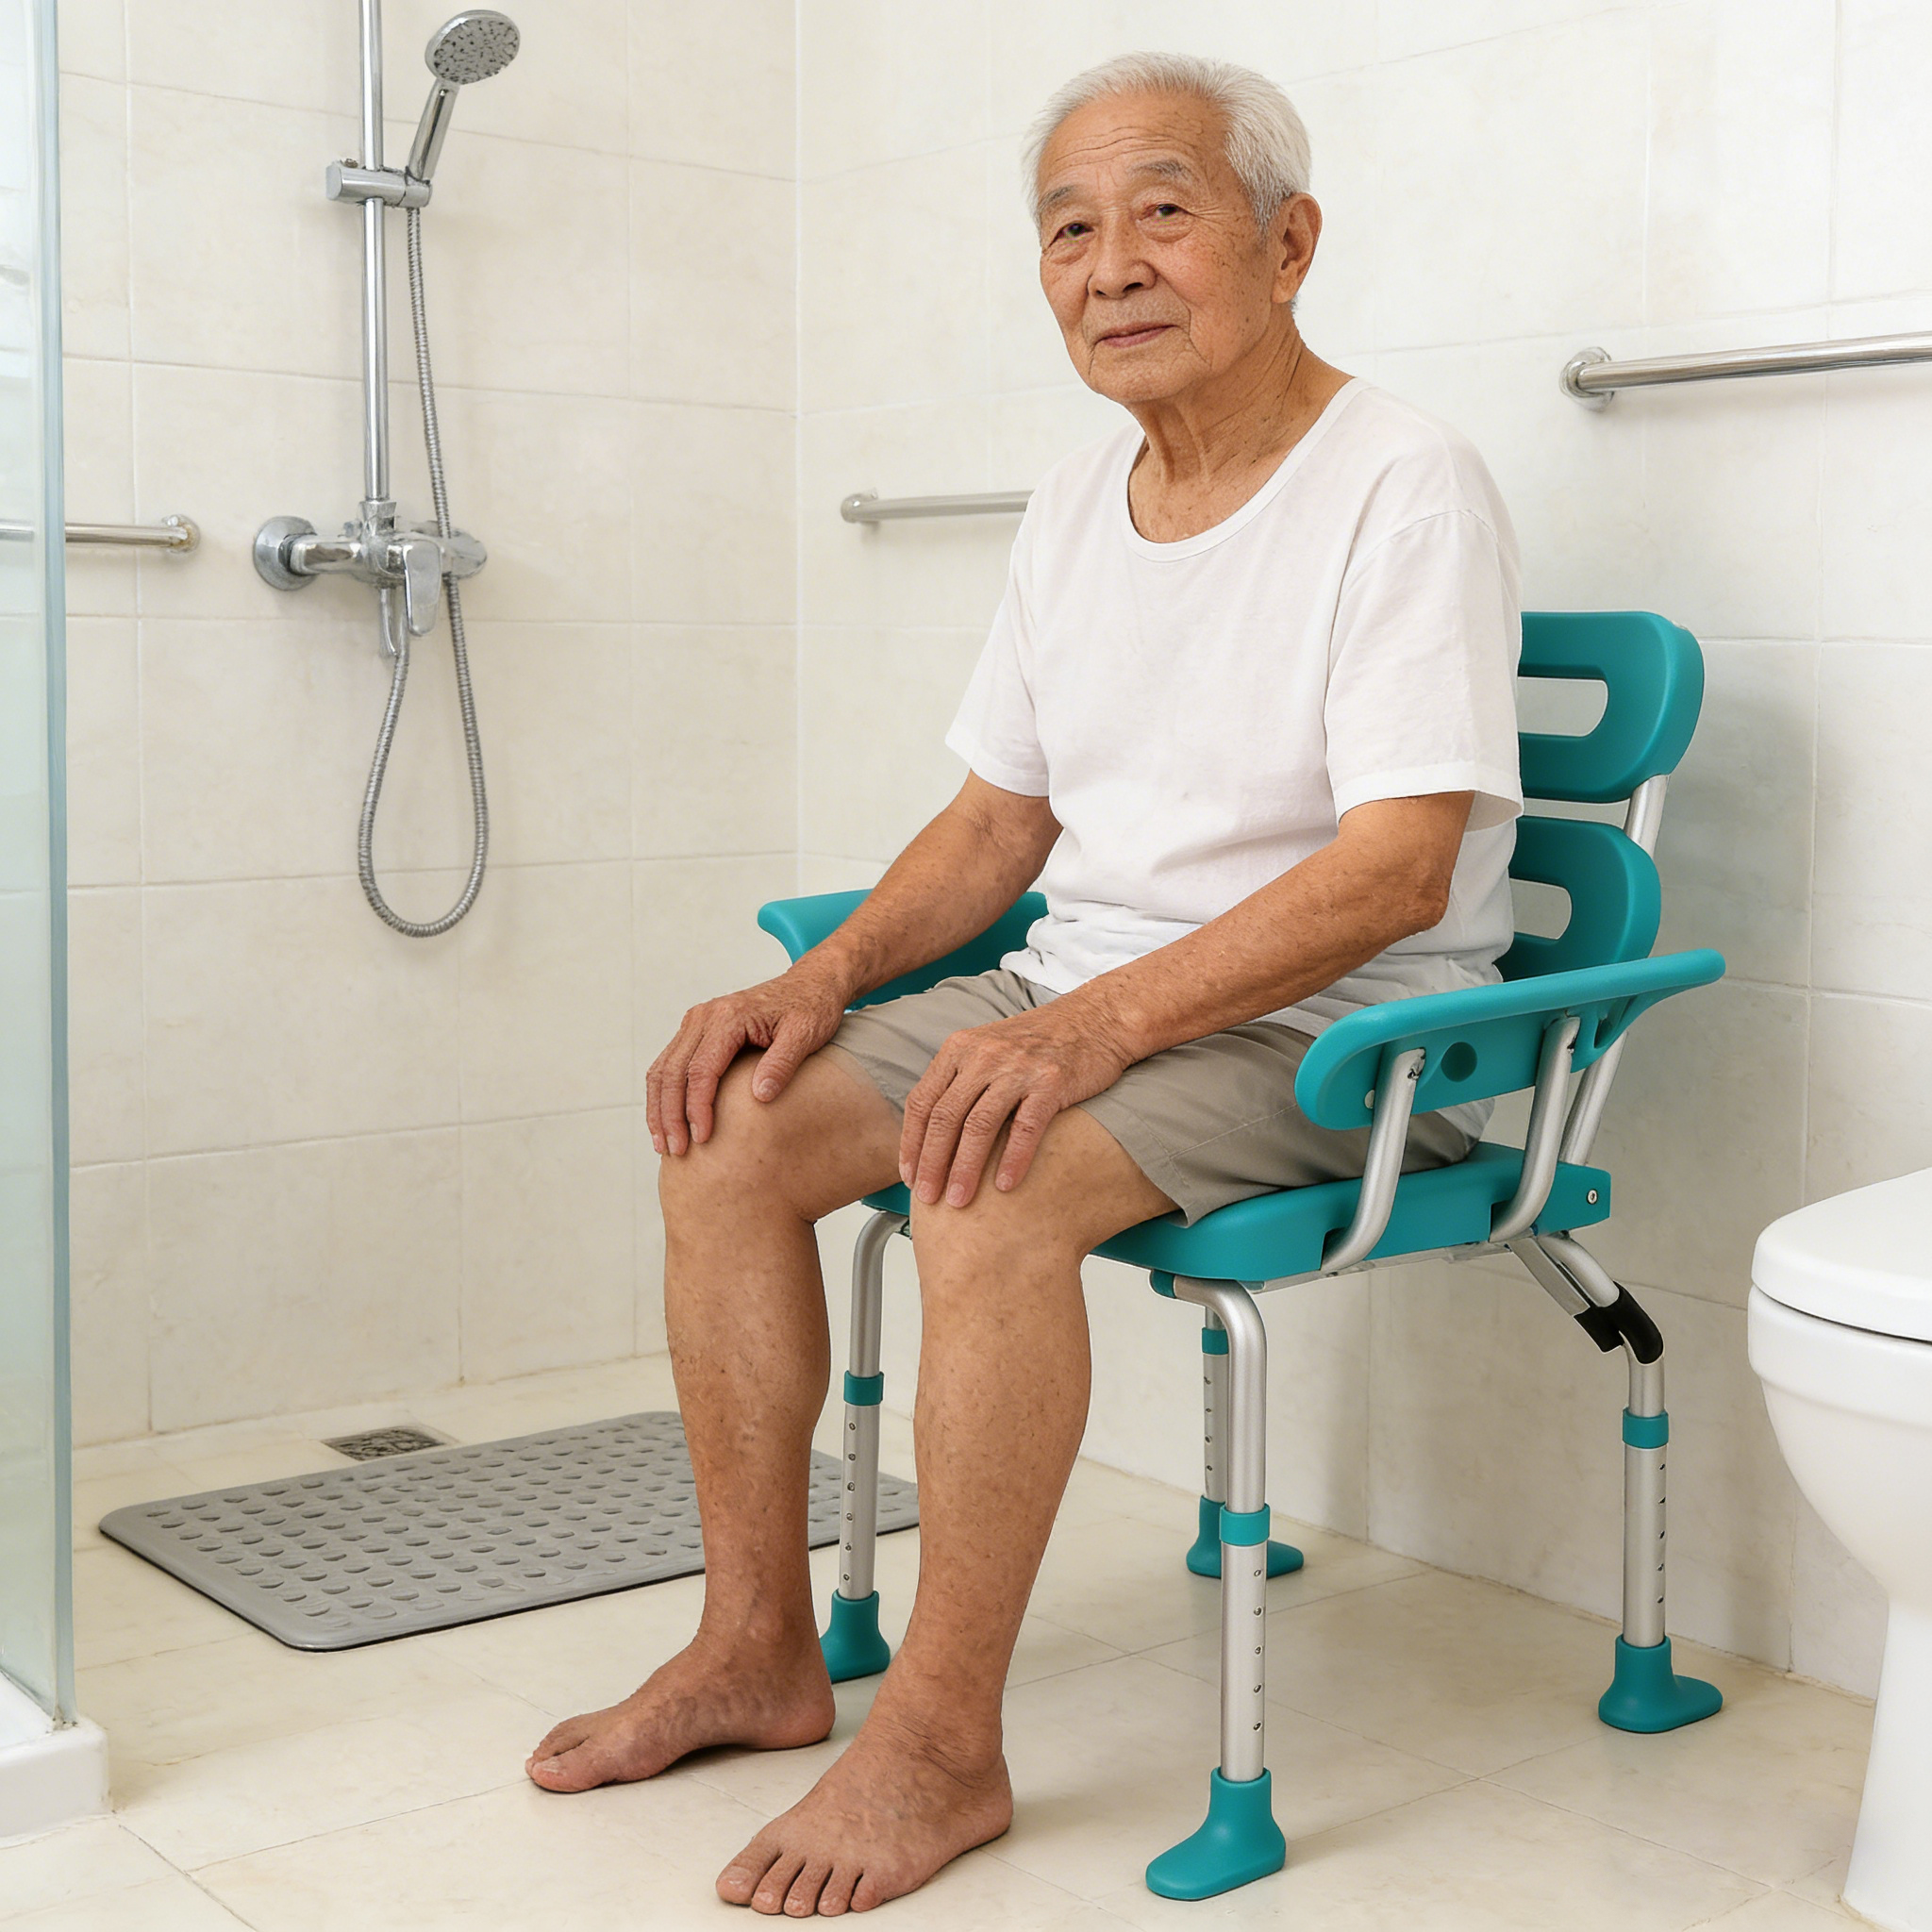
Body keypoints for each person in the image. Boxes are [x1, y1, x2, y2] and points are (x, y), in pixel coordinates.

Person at [526, 49, 1523, 1919]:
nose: (1108, 261)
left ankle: (937, 1747)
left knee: (984, 1175)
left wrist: (1085, 1028)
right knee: (728, 1122)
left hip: (1336, 1036)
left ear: (1286, 241)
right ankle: (755, 1644)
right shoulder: (1080, 503)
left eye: (1162, 209)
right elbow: (996, 831)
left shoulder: (1402, 484)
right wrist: (815, 983)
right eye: (1068, 226)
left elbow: (1393, 867)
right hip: (1090, 1002)